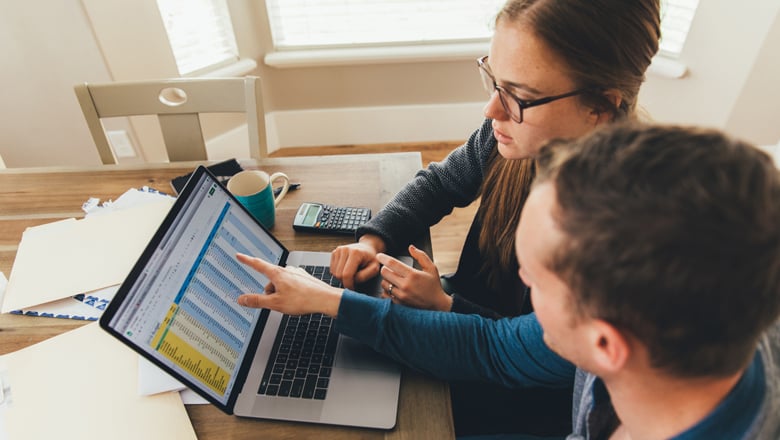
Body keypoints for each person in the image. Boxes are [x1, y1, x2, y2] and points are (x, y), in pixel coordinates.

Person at [235, 122, 780, 439]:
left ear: (604, 345)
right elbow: (491, 342)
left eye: (536, 281)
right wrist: (335, 302)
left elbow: (491, 345)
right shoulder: (676, 329)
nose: (520, 278)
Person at [331, 0, 661, 435]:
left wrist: (444, 306)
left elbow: (505, 352)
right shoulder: (513, 134)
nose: (492, 110)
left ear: (600, 106)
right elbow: (441, 183)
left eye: (519, 96)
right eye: (494, 80)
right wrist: (373, 241)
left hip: (521, 394)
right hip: (467, 319)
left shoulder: (624, 244)